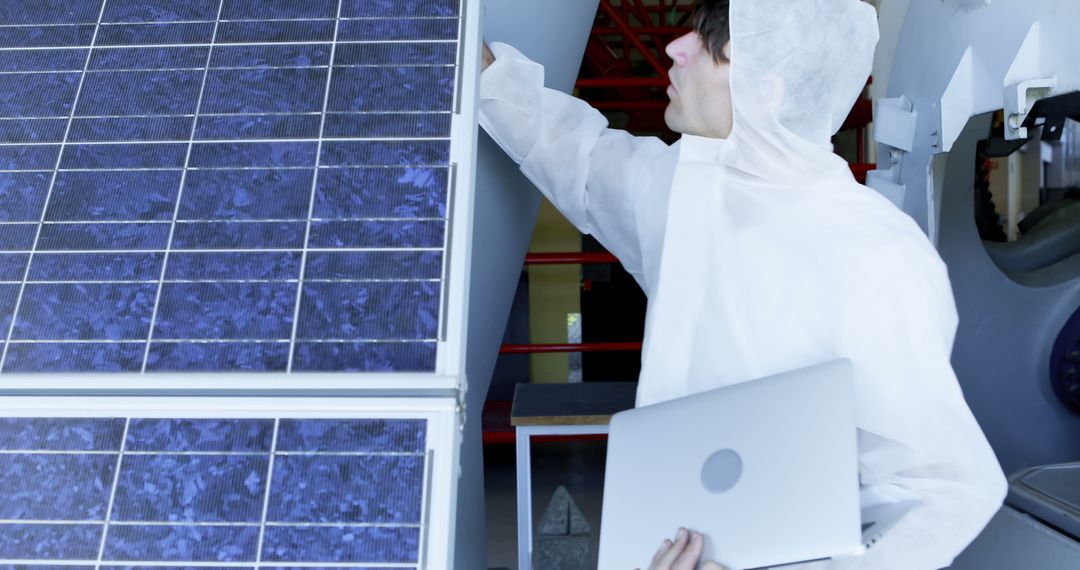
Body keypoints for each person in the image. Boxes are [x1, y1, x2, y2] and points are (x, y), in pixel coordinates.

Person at [479, 0, 1008, 568]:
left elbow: (945, 488)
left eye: (709, 46)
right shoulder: (682, 191)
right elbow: (574, 154)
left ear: (767, 89)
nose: (674, 49)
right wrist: (469, 59)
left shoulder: (874, 255)